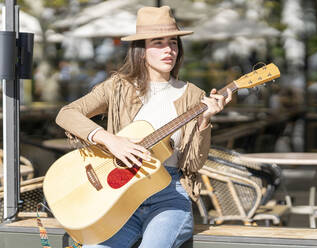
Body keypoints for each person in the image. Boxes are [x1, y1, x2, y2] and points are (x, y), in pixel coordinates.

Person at [55, 6, 232, 248]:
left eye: (173, 42)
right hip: (120, 197)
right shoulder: (118, 87)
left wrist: (205, 121)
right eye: (158, 43)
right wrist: (110, 140)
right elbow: (67, 114)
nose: (169, 49)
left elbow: (193, 164)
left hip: (168, 197)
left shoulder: (193, 95)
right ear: (141, 50)